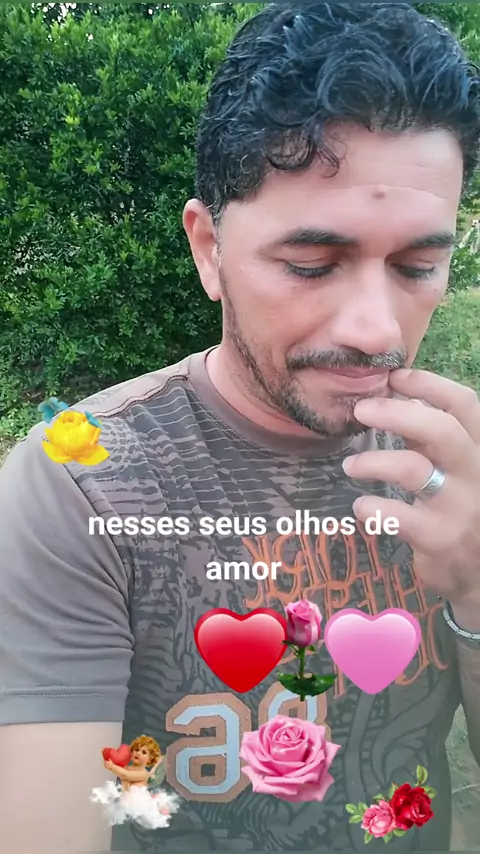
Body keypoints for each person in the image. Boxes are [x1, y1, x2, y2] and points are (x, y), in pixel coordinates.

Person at [1, 1, 480, 850]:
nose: (376, 329)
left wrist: (475, 591)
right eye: (311, 264)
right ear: (208, 249)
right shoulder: (81, 482)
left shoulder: (461, 466)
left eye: (417, 266)